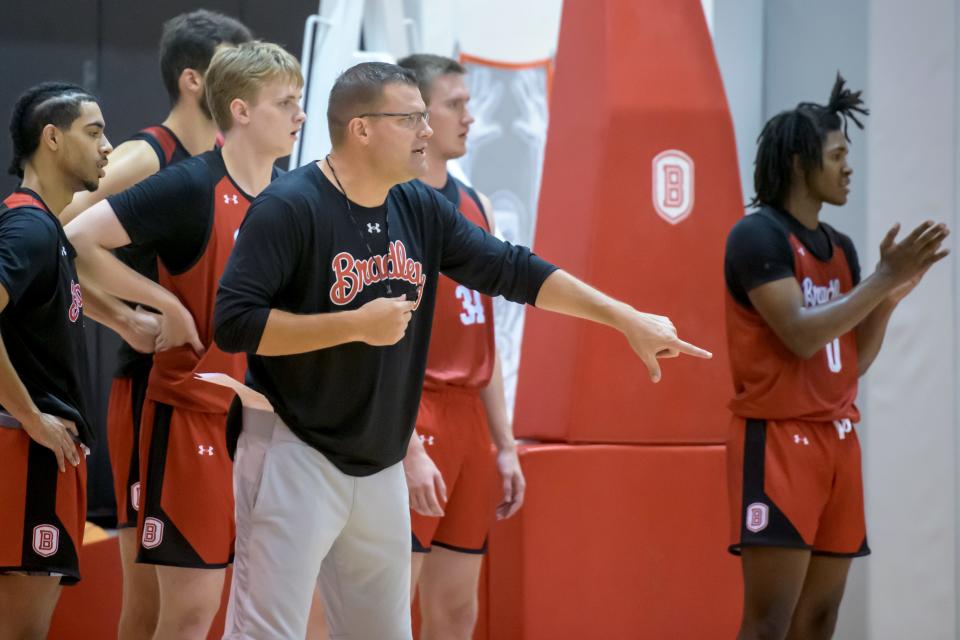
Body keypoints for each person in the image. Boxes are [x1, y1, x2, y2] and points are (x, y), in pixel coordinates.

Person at [213, 61, 711, 640]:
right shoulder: (290, 205)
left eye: (427, 117)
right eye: (411, 119)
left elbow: (512, 269)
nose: (426, 131)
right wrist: (352, 325)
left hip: (378, 461)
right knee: (266, 634)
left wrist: (624, 318)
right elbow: (235, 323)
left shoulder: (418, 208)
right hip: (292, 447)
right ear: (362, 129)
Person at [65, 42, 304, 639]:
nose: (300, 114)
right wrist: (154, 305)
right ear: (242, 110)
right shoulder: (187, 184)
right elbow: (74, 238)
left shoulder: (293, 196)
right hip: (183, 412)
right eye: (287, 102)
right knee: (181, 609)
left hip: (262, 421)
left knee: (237, 608)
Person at [724, 74, 949, 640]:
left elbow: (847, 363)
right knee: (768, 622)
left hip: (838, 439)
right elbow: (800, 336)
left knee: (820, 618)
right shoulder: (757, 238)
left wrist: (890, 298)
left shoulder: (841, 248)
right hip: (779, 440)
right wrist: (880, 280)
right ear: (802, 162)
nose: (849, 167)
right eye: (838, 154)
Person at [0, 81, 154, 638]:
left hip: (39, 456)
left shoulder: (48, 231)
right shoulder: (29, 227)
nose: (109, 147)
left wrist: (128, 319)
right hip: (25, 452)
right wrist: (33, 418)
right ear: (52, 139)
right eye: (94, 132)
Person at [395, 53, 518, 639]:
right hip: (416, 410)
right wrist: (407, 441)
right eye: (456, 104)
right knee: (392, 603)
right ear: (418, 114)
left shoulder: (478, 205)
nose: (470, 117)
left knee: (458, 610)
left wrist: (506, 444)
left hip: (470, 415)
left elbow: (484, 333)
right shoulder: (387, 205)